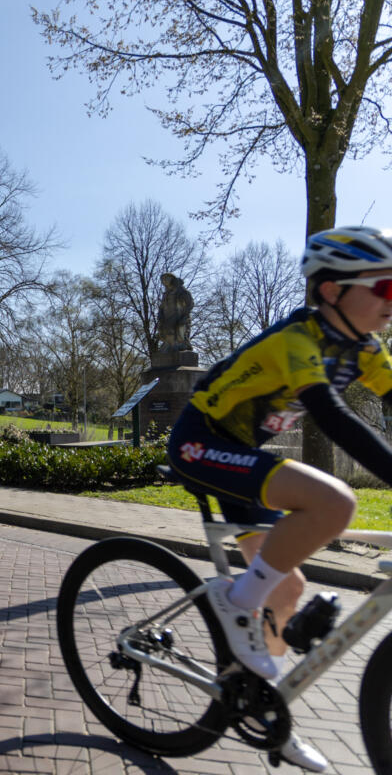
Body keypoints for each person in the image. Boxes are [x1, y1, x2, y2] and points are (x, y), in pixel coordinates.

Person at [166, 226, 392, 773]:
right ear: (334, 291)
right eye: (384, 289)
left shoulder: (362, 349)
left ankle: (268, 708)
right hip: (201, 443)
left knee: (288, 585)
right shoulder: (298, 341)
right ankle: (233, 599)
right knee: (335, 503)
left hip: (243, 456)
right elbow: (334, 417)